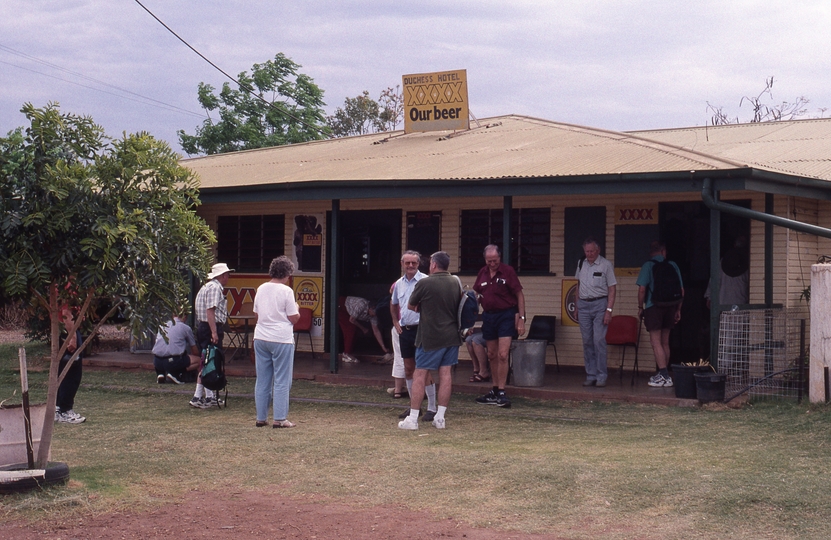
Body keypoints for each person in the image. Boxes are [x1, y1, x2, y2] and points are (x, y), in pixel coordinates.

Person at [398, 251, 461, 430]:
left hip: (430, 336)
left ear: (433, 264)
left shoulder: (425, 282)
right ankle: (440, 417)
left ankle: (412, 418)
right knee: (446, 374)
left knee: (420, 374)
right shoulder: (455, 281)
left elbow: (411, 305)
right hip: (451, 335)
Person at [473, 245, 526, 408]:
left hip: (506, 315)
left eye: (494, 260)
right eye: (489, 261)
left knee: (503, 354)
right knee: (492, 354)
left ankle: (502, 391)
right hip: (489, 316)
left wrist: (521, 318)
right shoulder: (482, 272)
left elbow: (519, 294)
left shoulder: (508, 271)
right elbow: (476, 295)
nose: (492, 264)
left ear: (499, 258)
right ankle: (494, 390)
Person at [253, 256, 300, 428]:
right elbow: (294, 318)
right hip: (281, 338)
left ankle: (261, 417)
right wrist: (298, 310)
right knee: (281, 379)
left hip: (261, 336)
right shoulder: (286, 291)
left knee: (263, 379)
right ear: (287, 273)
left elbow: (257, 314)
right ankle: (280, 418)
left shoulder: (261, 288)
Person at [390, 251, 438, 421]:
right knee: (409, 368)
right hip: (405, 331)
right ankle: (414, 407)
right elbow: (394, 303)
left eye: (414, 263)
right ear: (402, 264)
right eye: (407, 263)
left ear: (419, 264)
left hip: (422, 330)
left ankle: (432, 408)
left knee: (424, 370)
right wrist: (396, 322)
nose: (410, 266)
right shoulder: (398, 284)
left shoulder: (426, 281)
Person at [637, 241, 685, 387]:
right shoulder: (673, 265)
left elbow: (642, 290)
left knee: (655, 341)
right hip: (670, 306)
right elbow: (682, 291)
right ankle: (665, 374)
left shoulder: (648, 266)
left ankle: (663, 374)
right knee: (665, 341)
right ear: (663, 251)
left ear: (651, 252)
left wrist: (640, 307)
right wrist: (678, 309)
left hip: (654, 307)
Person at [574, 237, 617, 387]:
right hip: (584, 305)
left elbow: (612, 289)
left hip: (600, 304)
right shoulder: (581, 263)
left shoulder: (606, 265)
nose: (590, 254)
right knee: (587, 341)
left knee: (598, 340)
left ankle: (601, 375)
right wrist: (577, 306)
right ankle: (590, 374)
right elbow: (577, 285)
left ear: (598, 250)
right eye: (587, 251)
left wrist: (609, 311)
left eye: (592, 251)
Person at [190, 262, 233, 409]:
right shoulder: (215, 288)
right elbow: (210, 311)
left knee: (207, 360)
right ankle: (204, 396)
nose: (228, 277)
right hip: (209, 327)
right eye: (226, 274)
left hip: (204, 326)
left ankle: (205, 395)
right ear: (222, 275)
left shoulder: (206, 287)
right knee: (210, 361)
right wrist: (214, 331)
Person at [337, 296, 392, 363]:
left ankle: (348, 352)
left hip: (349, 313)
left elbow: (376, 331)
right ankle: (346, 354)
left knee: (354, 330)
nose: (374, 315)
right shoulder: (361, 305)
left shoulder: (374, 315)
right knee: (351, 328)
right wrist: (363, 329)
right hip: (341, 306)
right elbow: (352, 320)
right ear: (372, 308)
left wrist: (384, 347)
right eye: (375, 312)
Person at [55, 305, 85, 424]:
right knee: (71, 373)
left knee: (62, 371)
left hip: (62, 329)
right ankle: (65, 410)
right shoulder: (68, 286)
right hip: (68, 330)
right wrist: (72, 336)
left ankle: (58, 409)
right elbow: (66, 312)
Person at [152, 312, 200, 385]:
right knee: (198, 361)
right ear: (185, 317)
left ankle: (160, 373)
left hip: (157, 360)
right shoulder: (185, 328)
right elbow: (194, 350)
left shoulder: (162, 325)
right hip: (172, 361)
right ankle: (176, 373)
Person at [704, 235, 749, 308]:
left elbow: (714, 279)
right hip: (741, 304)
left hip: (723, 303)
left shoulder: (723, 261)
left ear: (734, 245)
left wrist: (709, 296)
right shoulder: (749, 263)